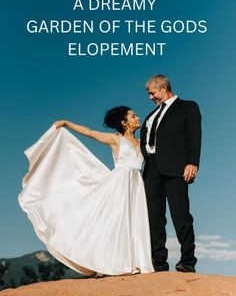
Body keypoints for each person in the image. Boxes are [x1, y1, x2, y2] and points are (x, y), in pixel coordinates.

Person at [18, 107, 154, 277]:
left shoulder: (142, 142)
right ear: (124, 122)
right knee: (115, 223)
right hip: (119, 184)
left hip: (137, 185)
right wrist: (67, 123)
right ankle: (109, 263)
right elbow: (89, 132)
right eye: (133, 116)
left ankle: (136, 262)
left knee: (134, 221)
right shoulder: (115, 139)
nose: (138, 118)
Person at [140, 74, 202, 273]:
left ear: (163, 87)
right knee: (154, 217)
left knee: (180, 214)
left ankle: (187, 260)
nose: (150, 98)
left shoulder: (188, 107)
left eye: (152, 93)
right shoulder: (150, 117)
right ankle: (158, 263)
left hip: (176, 168)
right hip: (151, 169)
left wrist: (192, 162)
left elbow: (194, 136)